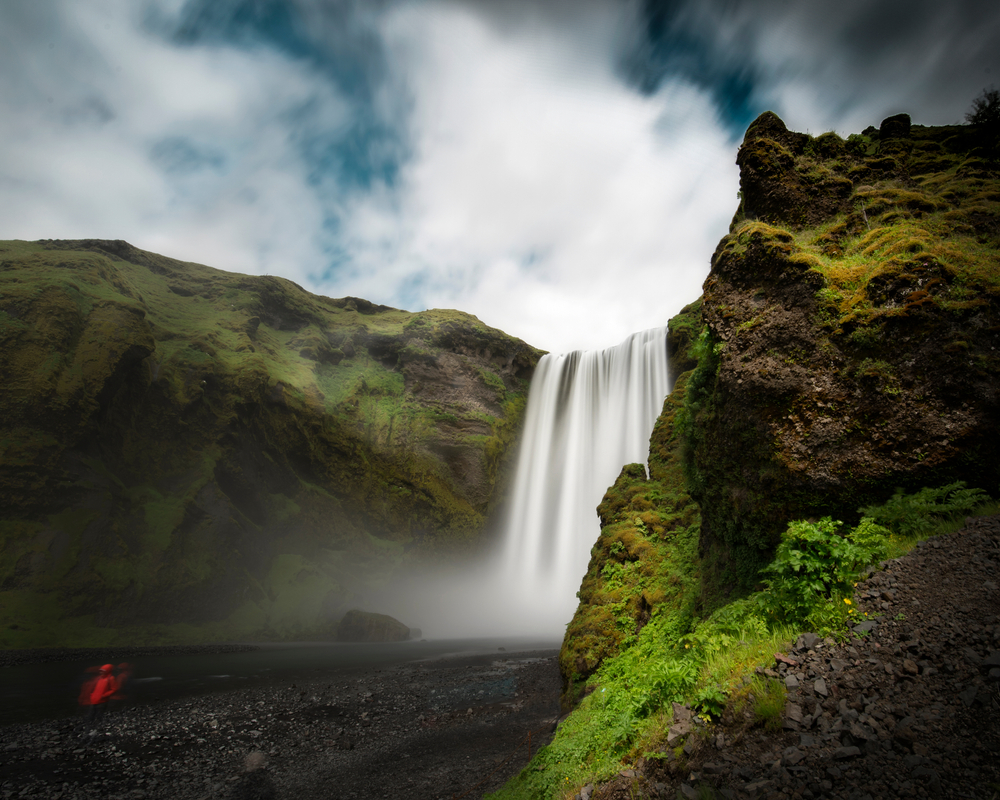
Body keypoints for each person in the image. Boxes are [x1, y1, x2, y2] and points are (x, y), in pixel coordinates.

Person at [81, 664, 117, 735]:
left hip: (102, 700)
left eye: (103, 671)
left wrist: (104, 695)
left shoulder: (110, 678)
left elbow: (114, 689)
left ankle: (97, 728)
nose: (101, 672)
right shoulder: (99, 678)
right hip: (94, 700)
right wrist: (92, 695)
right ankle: (89, 727)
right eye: (101, 671)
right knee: (91, 714)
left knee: (99, 714)